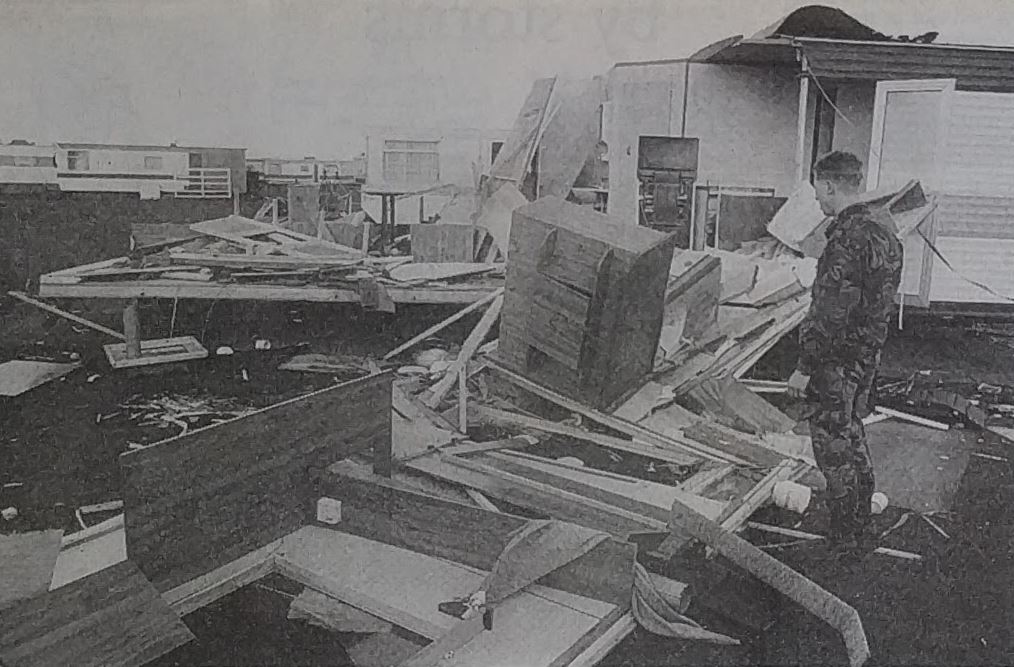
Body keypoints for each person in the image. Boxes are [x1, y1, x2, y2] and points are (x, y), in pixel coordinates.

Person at [786, 151, 903, 553]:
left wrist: (804, 366)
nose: (817, 198)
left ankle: (844, 536)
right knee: (853, 433)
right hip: (866, 357)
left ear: (830, 185)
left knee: (833, 445)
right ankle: (861, 520)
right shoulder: (885, 232)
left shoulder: (846, 239)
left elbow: (829, 313)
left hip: (834, 361)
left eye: (818, 190)